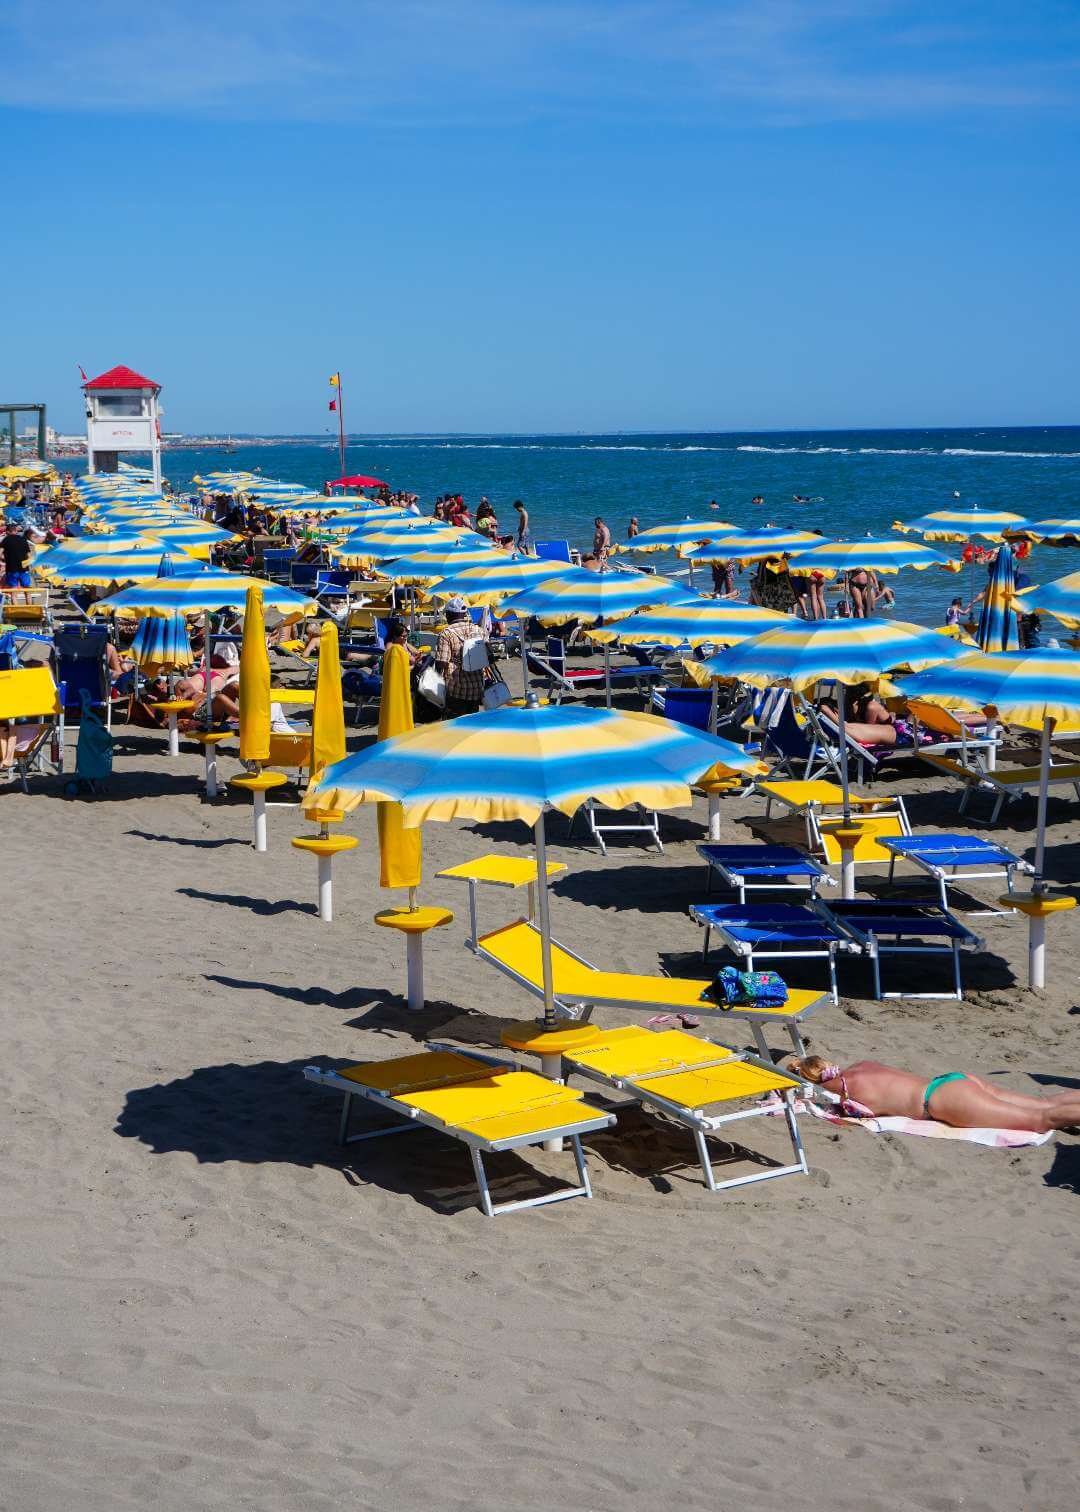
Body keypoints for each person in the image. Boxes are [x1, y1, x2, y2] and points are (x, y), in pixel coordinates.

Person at [788, 1055, 1080, 1133]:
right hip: (952, 1081)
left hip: (943, 1102)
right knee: (1042, 1105)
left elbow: (835, 1111)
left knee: (1041, 1120)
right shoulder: (862, 1066)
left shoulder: (846, 1091)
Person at [435, 595, 488, 715]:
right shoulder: (478, 630)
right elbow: (488, 656)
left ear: (449, 614)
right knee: (472, 722)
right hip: (476, 688)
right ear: (464, 613)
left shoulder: (446, 634)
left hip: (456, 689)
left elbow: (442, 662)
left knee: (456, 722)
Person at [2, 521, 32, 594]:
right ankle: (29, 602)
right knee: (27, 590)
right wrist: (29, 566)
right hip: (24, 568)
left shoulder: (5, 540)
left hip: (11, 568)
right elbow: (29, 555)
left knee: (13, 590)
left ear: (8, 531)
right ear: (16, 531)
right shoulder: (23, 540)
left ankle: (15, 601)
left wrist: (4, 559)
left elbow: (0, 553)